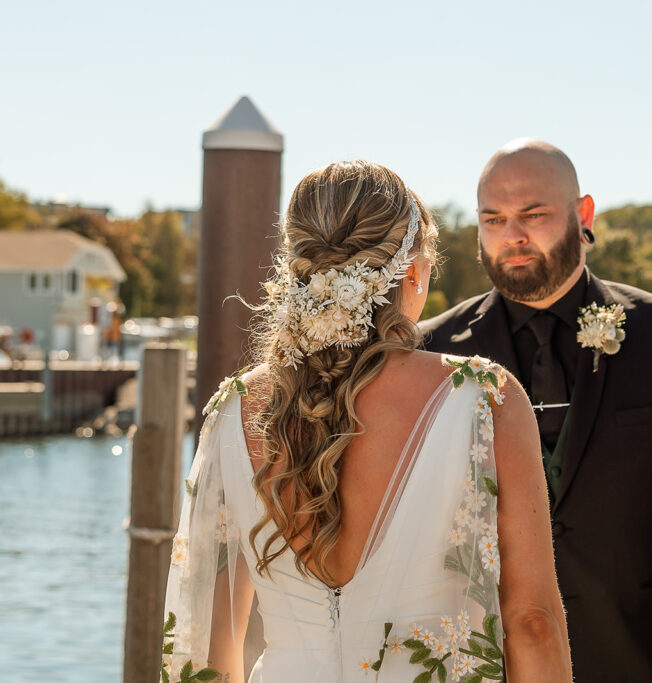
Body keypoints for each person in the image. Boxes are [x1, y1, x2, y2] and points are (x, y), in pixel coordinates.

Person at [162, 161, 572, 683]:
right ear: (414, 272)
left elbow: (206, 637)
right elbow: (532, 622)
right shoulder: (483, 399)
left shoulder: (235, 408)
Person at [421, 140, 652, 682]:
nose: (513, 236)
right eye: (494, 219)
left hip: (635, 662)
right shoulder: (433, 352)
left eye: (534, 215)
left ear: (584, 215)